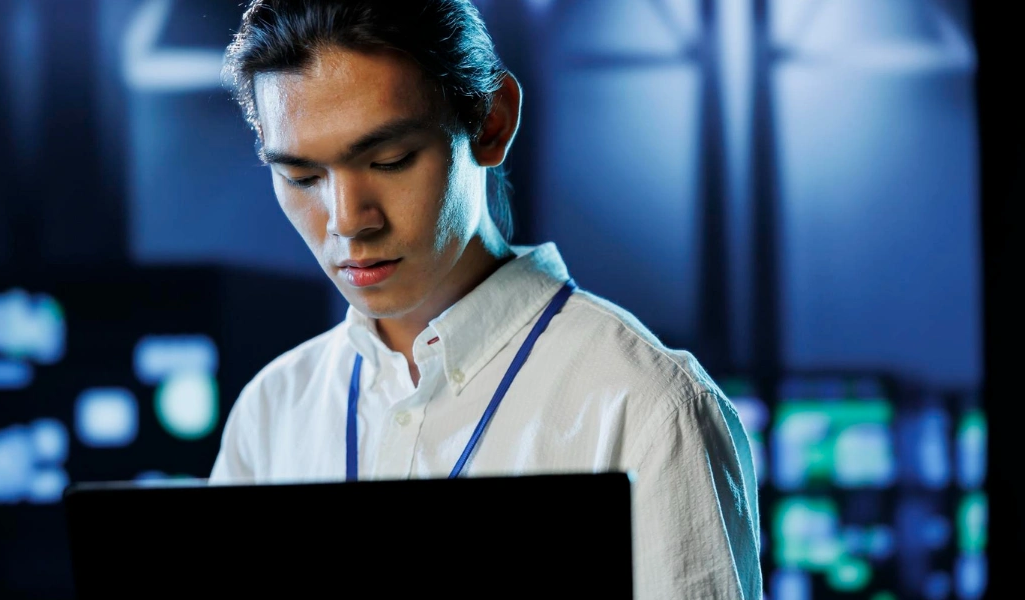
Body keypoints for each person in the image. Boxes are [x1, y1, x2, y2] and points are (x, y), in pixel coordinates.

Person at [208, 1, 761, 597]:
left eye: (389, 160)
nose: (347, 222)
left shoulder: (646, 406)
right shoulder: (273, 410)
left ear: (491, 123)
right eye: (301, 177)